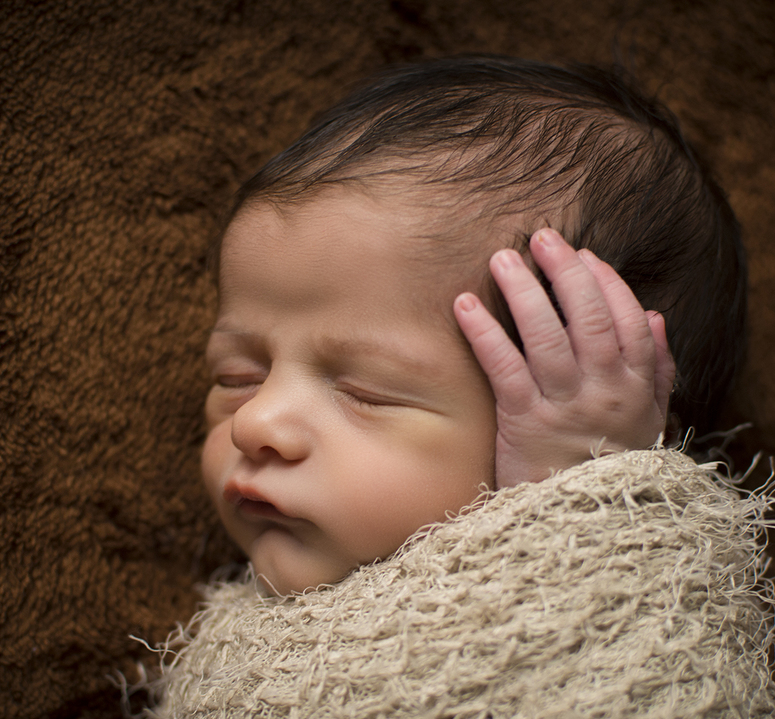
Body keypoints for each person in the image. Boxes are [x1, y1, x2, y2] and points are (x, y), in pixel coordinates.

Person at [200, 54, 746, 597]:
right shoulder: (223, 617)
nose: (253, 423)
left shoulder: (621, 602)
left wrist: (578, 497)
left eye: (365, 391)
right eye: (237, 378)